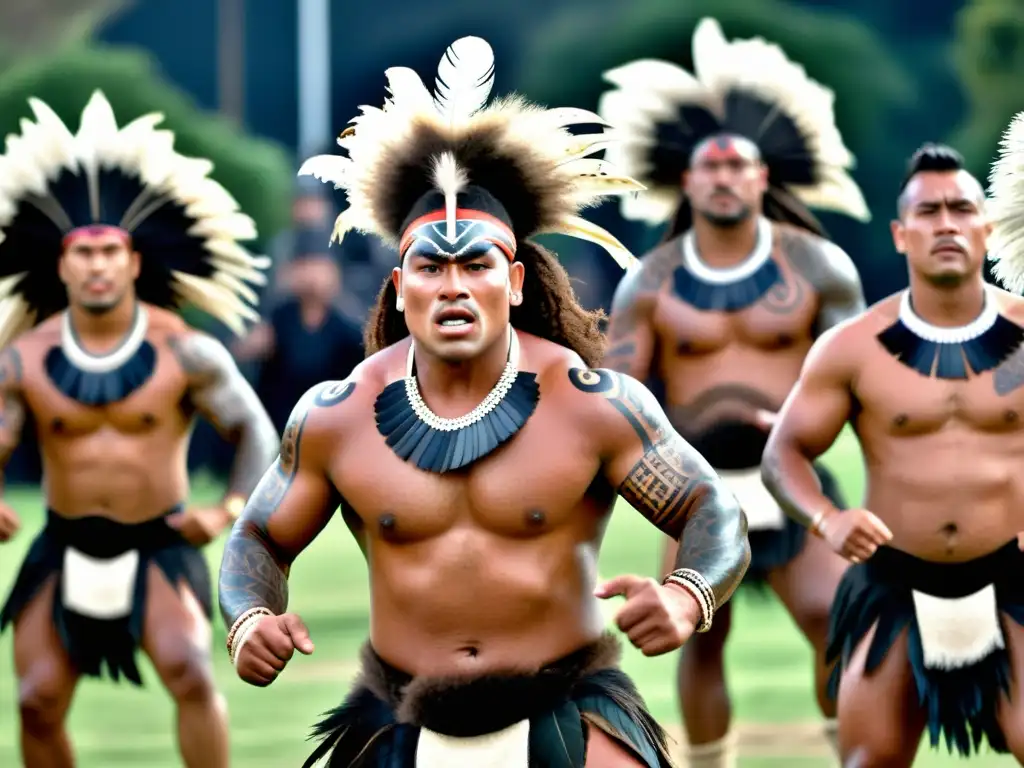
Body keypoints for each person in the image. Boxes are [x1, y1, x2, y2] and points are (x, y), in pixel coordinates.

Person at [219, 35, 750, 768]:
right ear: (399, 288)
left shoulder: (592, 404)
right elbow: (256, 538)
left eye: (478, 264)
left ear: (519, 282)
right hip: (398, 715)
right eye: (431, 267)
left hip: (568, 709)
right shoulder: (334, 416)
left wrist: (688, 595)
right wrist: (249, 619)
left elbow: (710, 509)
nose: (455, 286)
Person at [594, 17, 870, 765]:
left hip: (794, 471)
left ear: (761, 178)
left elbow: (861, 371)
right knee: (699, 636)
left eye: (736, 166)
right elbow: (619, 391)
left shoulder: (819, 266)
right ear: (686, 181)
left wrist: (801, 418)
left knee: (833, 616)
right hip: (693, 486)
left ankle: (852, 750)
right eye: (708, 168)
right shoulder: (649, 281)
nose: (721, 177)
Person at [0, 91, 279, 768]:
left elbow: (257, 432)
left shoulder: (185, 349)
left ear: (133, 262)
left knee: (189, 670)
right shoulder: (24, 357)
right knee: (35, 701)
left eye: (109, 251)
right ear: (61, 265)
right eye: (83, 252)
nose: (96, 265)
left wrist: (229, 510)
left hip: (159, 544)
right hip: (62, 549)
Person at [761, 139, 1024, 765]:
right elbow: (784, 454)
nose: (946, 224)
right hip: (895, 582)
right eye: (928, 213)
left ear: (986, 225)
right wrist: (829, 518)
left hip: (1014, 579)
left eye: (961, 208)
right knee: (868, 761)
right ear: (901, 235)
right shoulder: (852, 347)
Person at [233, 252, 365, 434]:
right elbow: (242, 350)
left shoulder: (345, 325)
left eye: (320, 268)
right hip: (279, 422)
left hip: (328, 424)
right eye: (305, 267)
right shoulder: (279, 317)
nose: (312, 277)